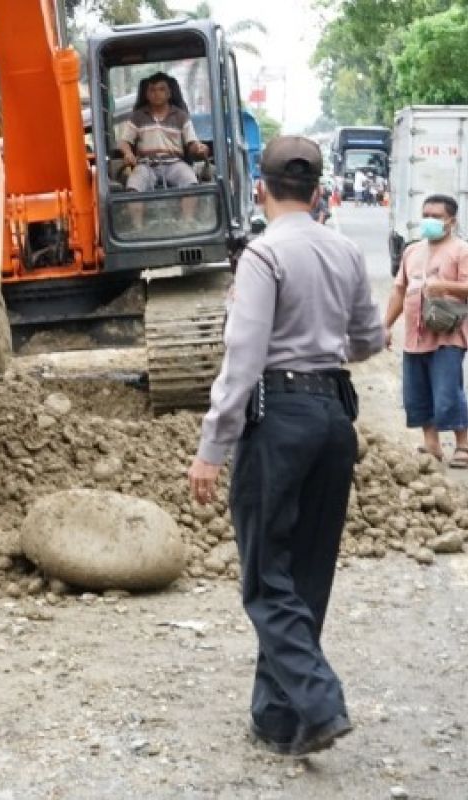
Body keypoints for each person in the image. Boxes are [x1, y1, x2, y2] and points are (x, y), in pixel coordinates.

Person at [187, 136, 385, 757]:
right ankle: (278, 719)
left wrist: (211, 445)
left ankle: (321, 703)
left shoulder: (262, 255)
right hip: (334, 419)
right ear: (320, 189)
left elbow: (243, 359)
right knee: (306, 574)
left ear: (260, 188)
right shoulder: (347, 250)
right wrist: (320, 351)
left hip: (278, 419)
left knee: (266, 578)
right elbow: (369, 339)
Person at [383, 194, 468, 466]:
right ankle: (431, 445)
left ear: (451, 221)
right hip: (414, 335)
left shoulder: (461, 251)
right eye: (426, 215)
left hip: (448, 335)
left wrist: (445, 287)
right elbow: (399, 290)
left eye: (436, 217)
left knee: (447, 392)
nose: (429, 221)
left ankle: (463, 445)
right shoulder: (412, 251)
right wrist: (385, 325)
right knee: (416, 392)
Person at [117, 72, 210, 226]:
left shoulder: (181, 116)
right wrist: (127, 153)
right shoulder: (138, 117)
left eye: (161, 89)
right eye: (152, 90)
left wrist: (199, 148)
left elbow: (192, 143)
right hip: (146, 165)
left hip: (174, 163)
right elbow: (124, 142)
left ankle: (187, 224)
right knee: (133, 186)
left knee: (190, 181)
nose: (156, 94)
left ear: (168, 93)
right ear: (146, 94)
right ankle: (138, 229)